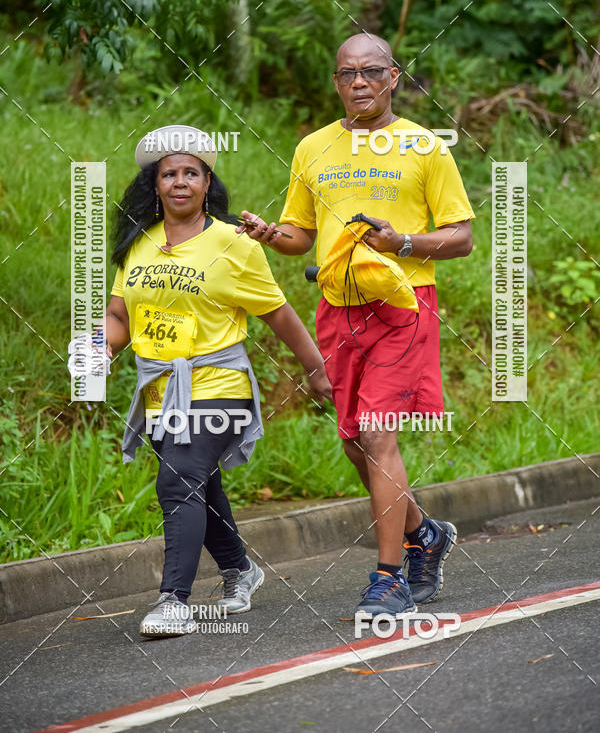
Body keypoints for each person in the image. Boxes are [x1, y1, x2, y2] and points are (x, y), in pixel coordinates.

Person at [238, 34, 474, 619]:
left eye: (371, 72)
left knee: (377, 435)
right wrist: (272, 235)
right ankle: (425, 533)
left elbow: (462, 237)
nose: (360, 83)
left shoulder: (424, 147)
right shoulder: (313, 148)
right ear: (336, 82)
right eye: (348, 74)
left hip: (402, 307)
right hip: (337, 306)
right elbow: (298, 237)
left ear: (393, 76)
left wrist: (404, 242)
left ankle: (388, 579)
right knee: (352, 439)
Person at [72, 124, 331, 638]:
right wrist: (95, 350)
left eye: (192, 172)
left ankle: (174, 601)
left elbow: (278, 314)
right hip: (160, 388)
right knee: (198, 484)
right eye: (169, 174)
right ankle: (240, 570)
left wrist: (317, 370)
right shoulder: (139, 245)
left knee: (177, 481)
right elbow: (121, 317)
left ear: (208, 183)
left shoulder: (234, 243)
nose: (180, 181)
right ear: (156, 185)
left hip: (220, 383)